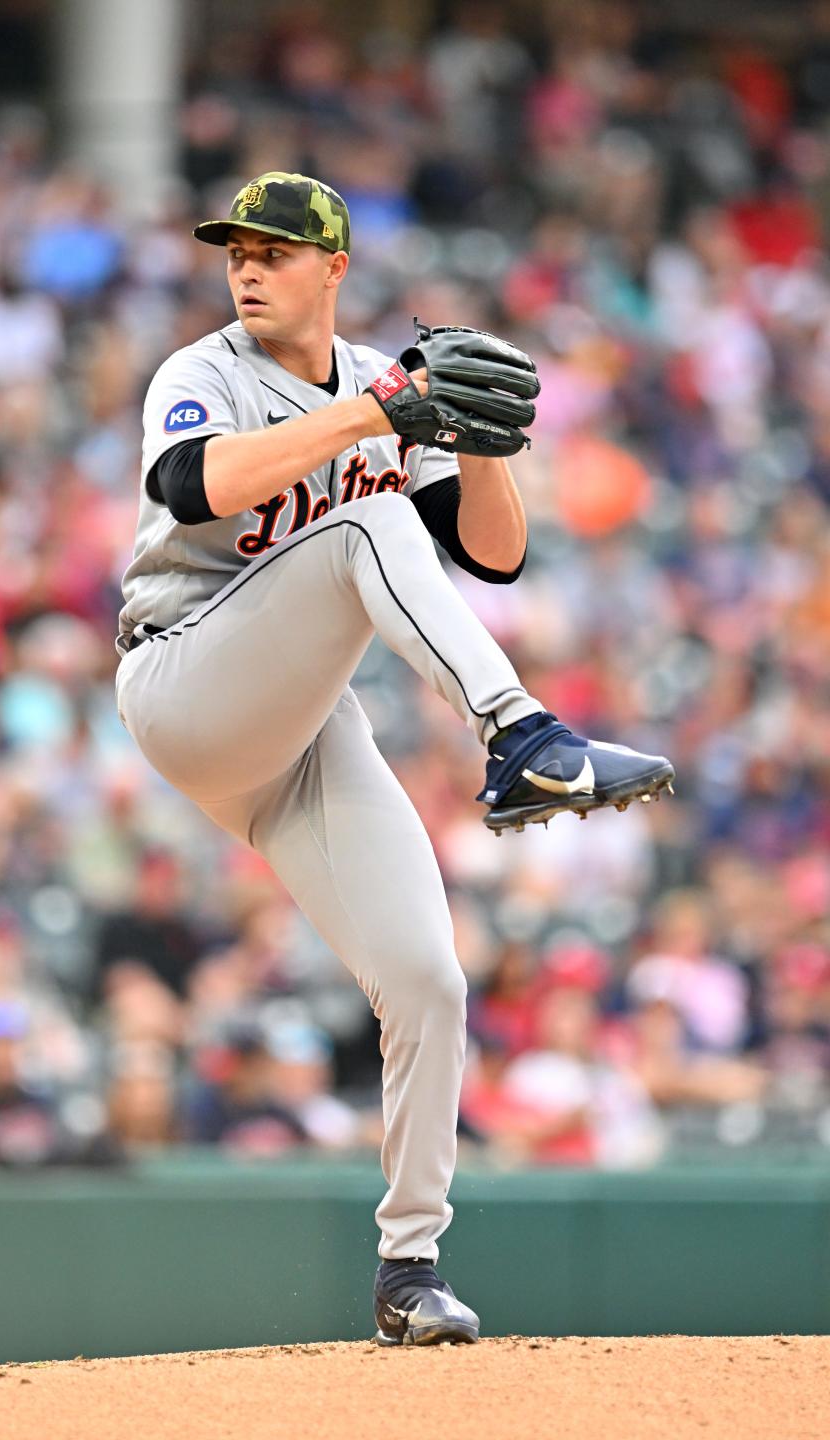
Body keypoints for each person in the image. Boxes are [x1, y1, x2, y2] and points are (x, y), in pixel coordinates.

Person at [114, 171, 674, 1346]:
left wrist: (479, 442)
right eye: (236, 250)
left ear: (335, 267)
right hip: (186, 680)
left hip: (302, 728)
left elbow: (491, 558)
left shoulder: (382, 381)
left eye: (274, 249)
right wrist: (382, 419)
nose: (249, 267)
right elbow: (192, 486)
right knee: (357, 518)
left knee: (427, 979)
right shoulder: (203, 371)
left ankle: (408, 1266)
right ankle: (523, 734)